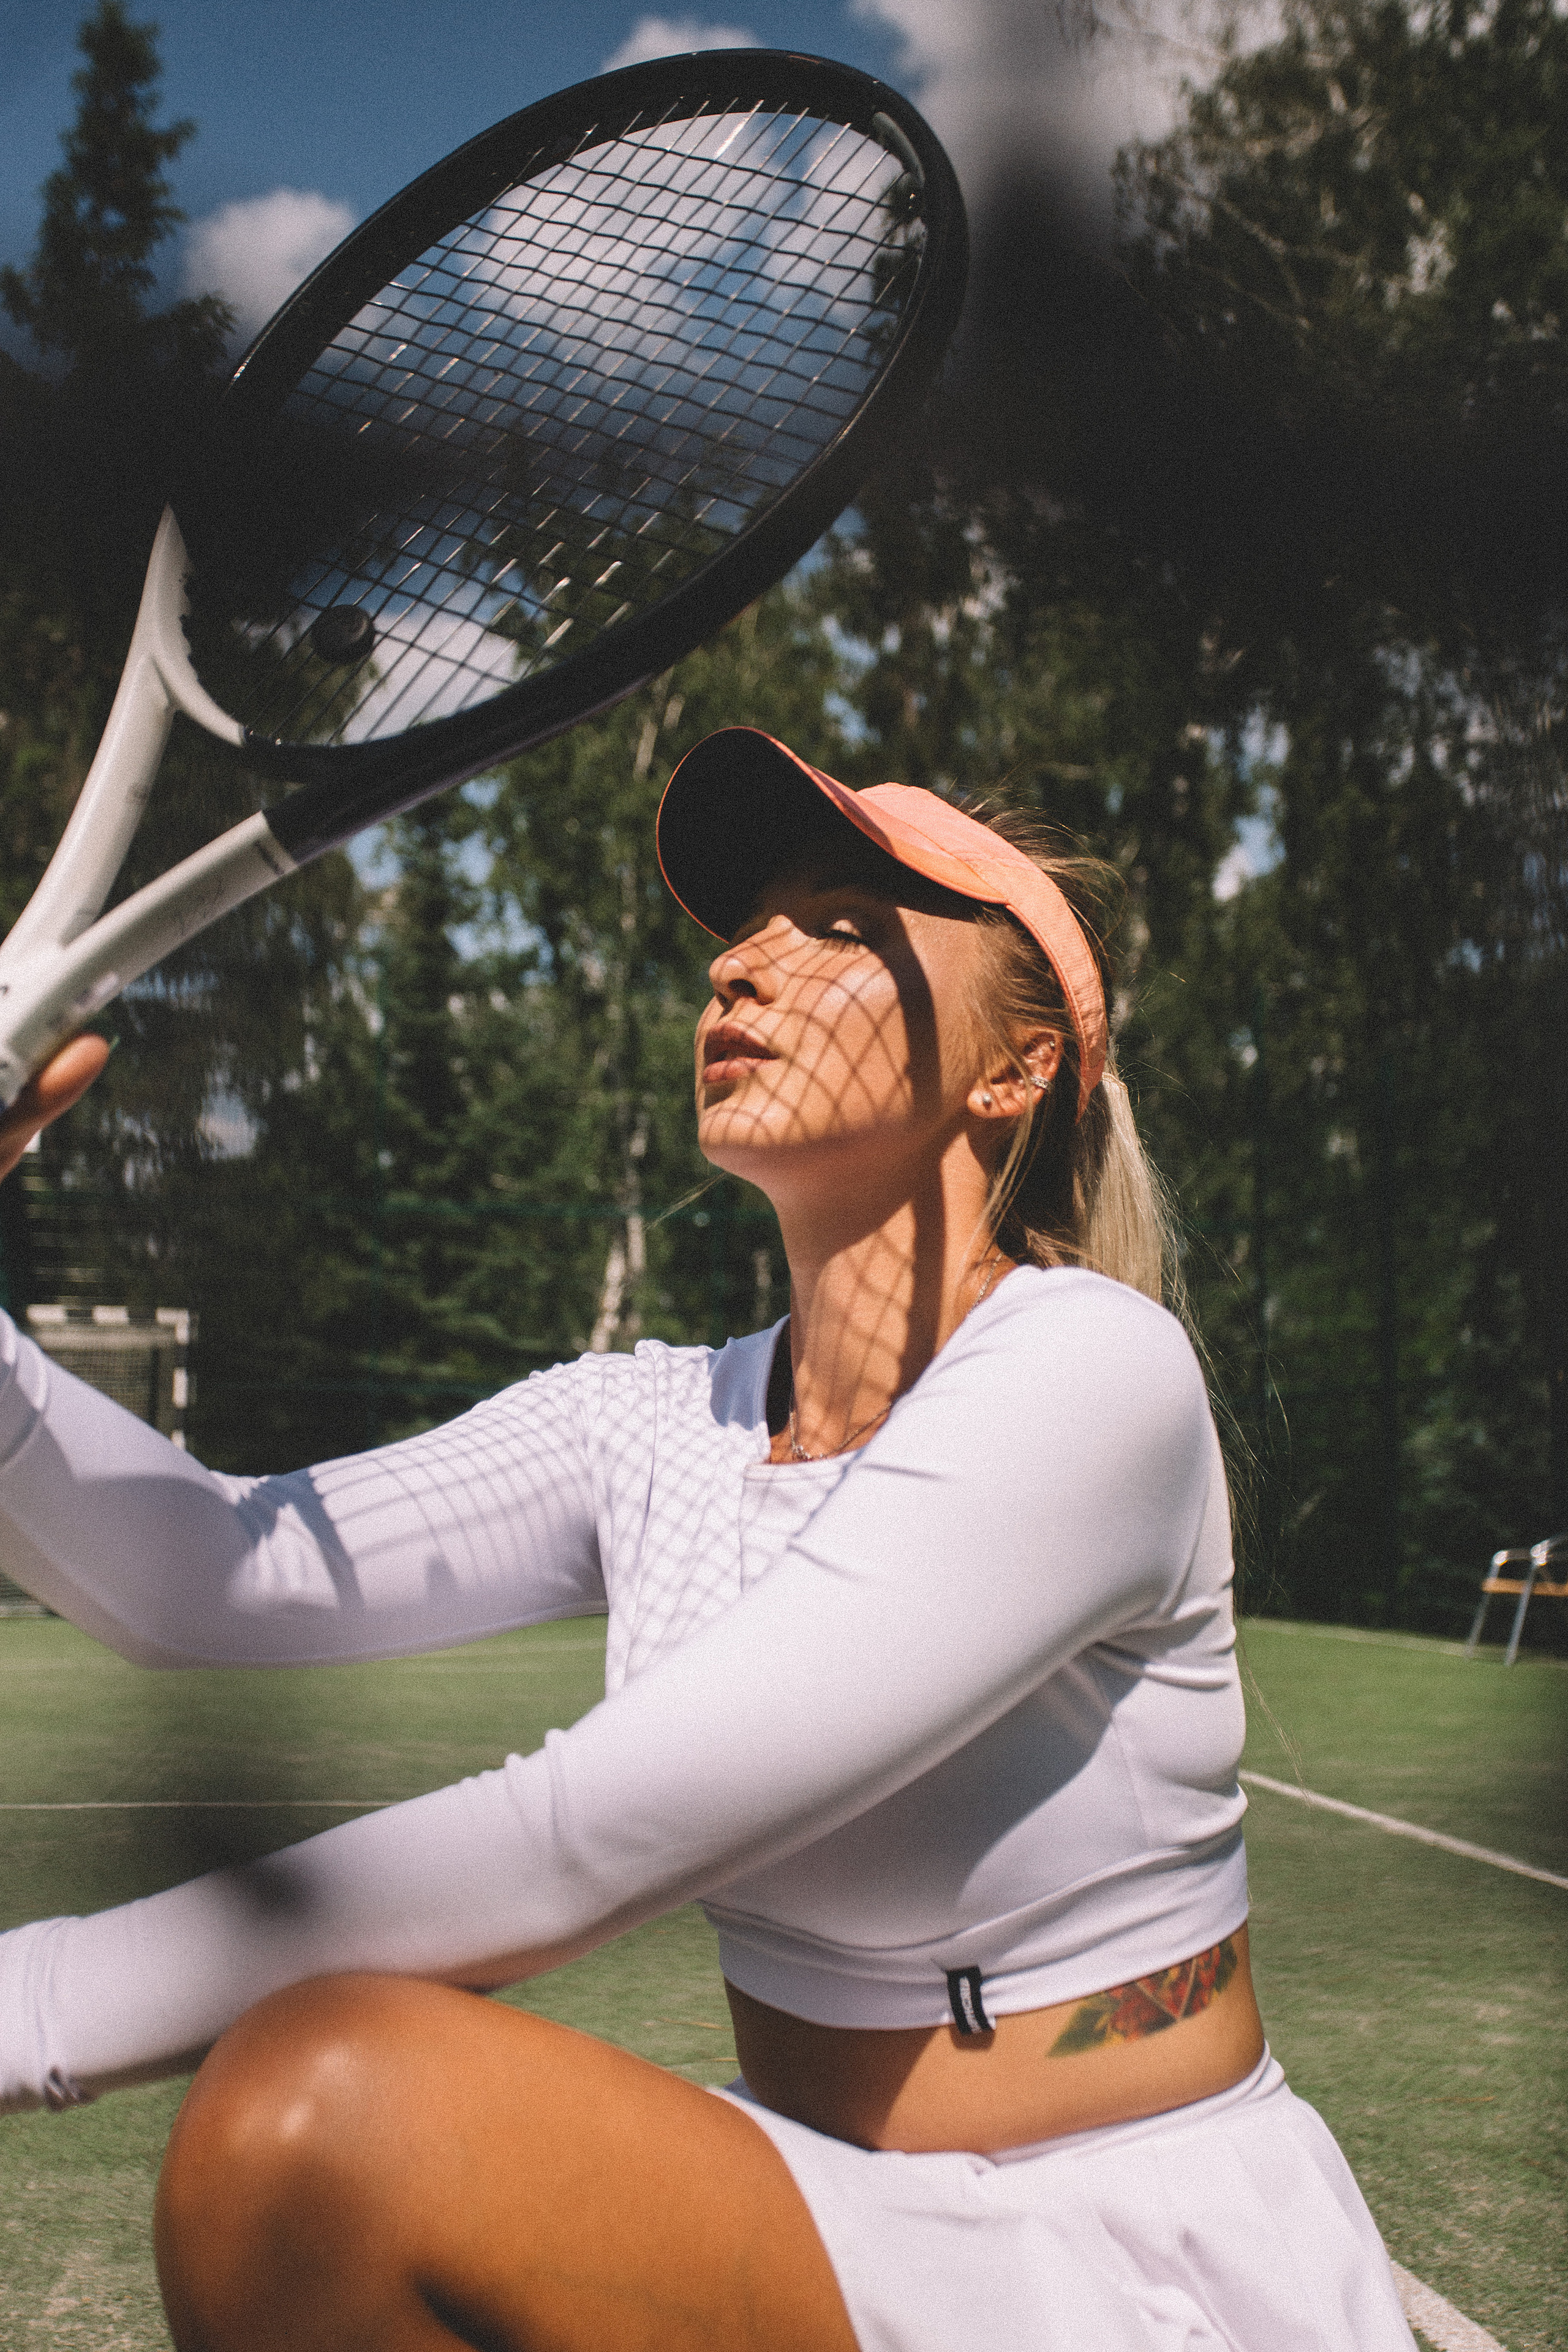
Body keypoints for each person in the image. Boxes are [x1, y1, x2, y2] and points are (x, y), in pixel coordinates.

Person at [0, 727, 1415, 2352]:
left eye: (839, 926)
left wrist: (25, 2006)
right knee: (302, 2150)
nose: (746, 962)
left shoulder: (1097, 1375)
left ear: (1014, 1070)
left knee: (315, 2103)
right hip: (822, 2211)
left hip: (1118, 2252)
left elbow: (583, 1834)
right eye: (745, 925)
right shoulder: (649, 1421)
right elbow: (211, 1571)